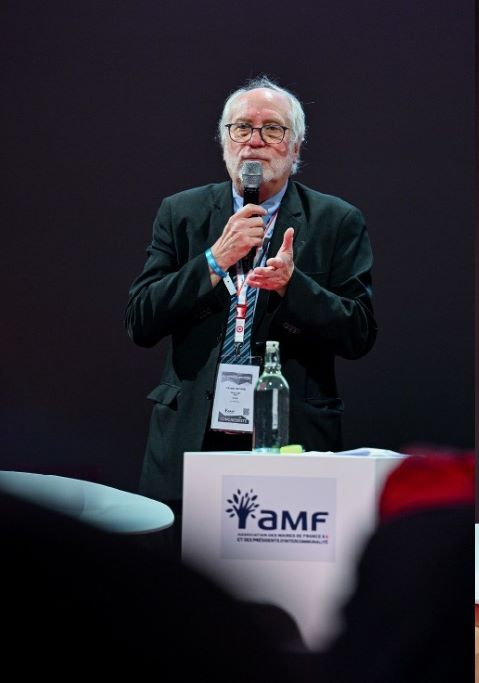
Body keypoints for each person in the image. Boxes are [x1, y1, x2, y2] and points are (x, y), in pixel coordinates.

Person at [126, 76, 376, 532]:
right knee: (176, 568)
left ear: (295, 148)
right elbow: (140, 320)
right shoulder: (181, 213)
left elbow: (359, 332)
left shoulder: (336, 220)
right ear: (225, 142)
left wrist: (292, 287)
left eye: (272, 129)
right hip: (192, 433)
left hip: (289, 430)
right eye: (241, 128)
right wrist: (213, 260)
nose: (254, 141)